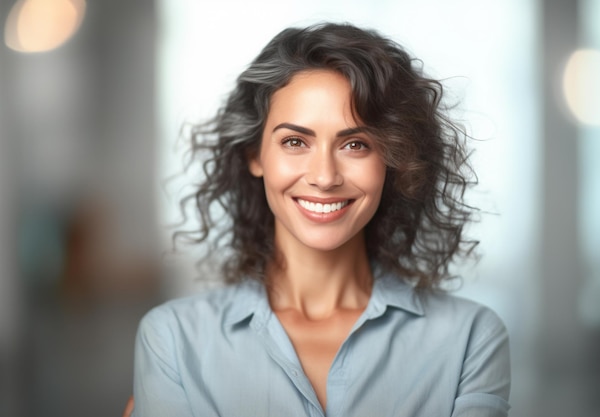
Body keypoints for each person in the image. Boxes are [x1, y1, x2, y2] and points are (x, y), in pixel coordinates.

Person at [128, 22, 511, 416]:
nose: (325, 177)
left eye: (355, 144)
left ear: (393, 161)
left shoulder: (469, 338)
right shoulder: (174, 339)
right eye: (295, 142)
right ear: (255, 155)